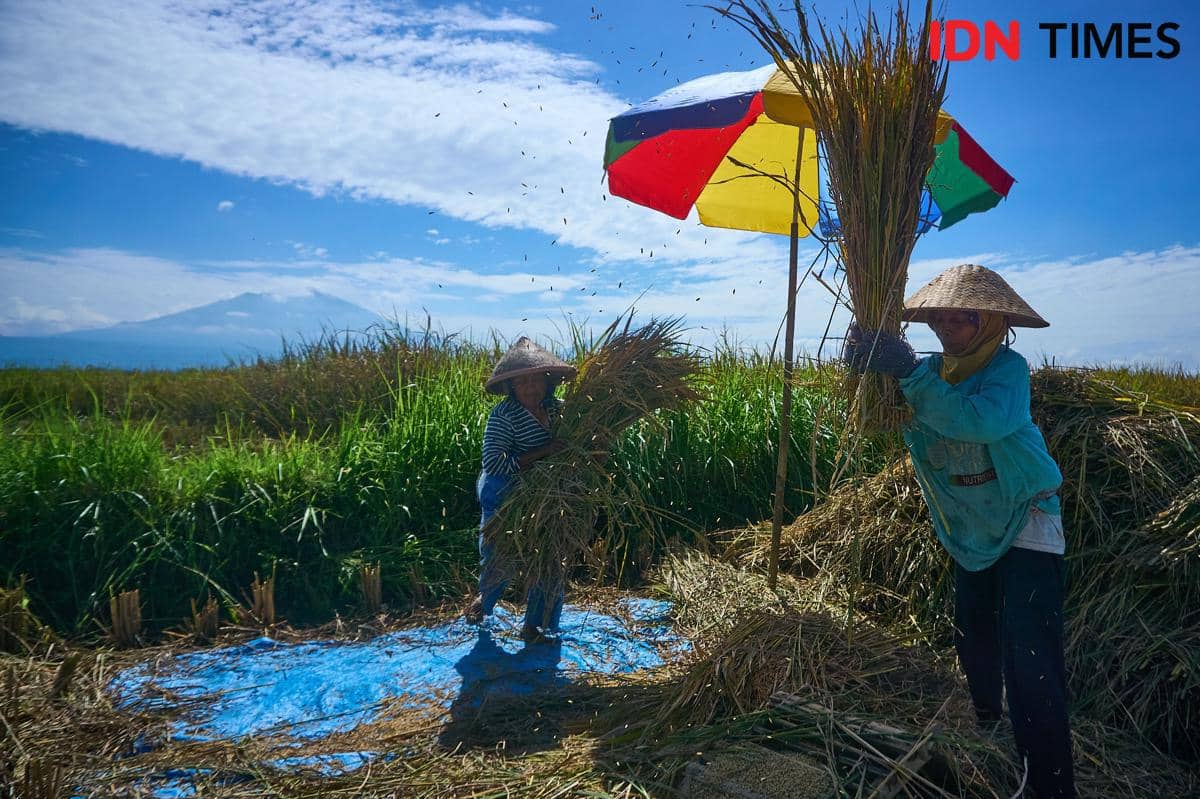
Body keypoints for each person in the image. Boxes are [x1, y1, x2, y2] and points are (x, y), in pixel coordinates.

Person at [843, 264, 1075, 798]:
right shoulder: (926, 372)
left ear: (990, 321)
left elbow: (981, 422)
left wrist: (908, 373)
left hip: (1024, 518)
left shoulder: (1007, 370)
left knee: (1029, 657)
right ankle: (991, 738)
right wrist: (865, 371)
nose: (948, 328)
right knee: (973, 639)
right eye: (940, 319)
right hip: (969, 528)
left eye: (962, 318)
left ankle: (1049, 784)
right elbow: (880, 420)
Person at [463, 337, 577, 643]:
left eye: (536, 380)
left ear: (547, 382)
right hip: (503, 492)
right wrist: (544, 451)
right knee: (501, 559)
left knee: (549, 558)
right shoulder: (504, 416)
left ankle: (538, 628)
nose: (530, 387)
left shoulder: (558, 409)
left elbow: (574, 446)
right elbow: (494, 463)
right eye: (522, 382)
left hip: (545, 494)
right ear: (512, 387)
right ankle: (482, 606)